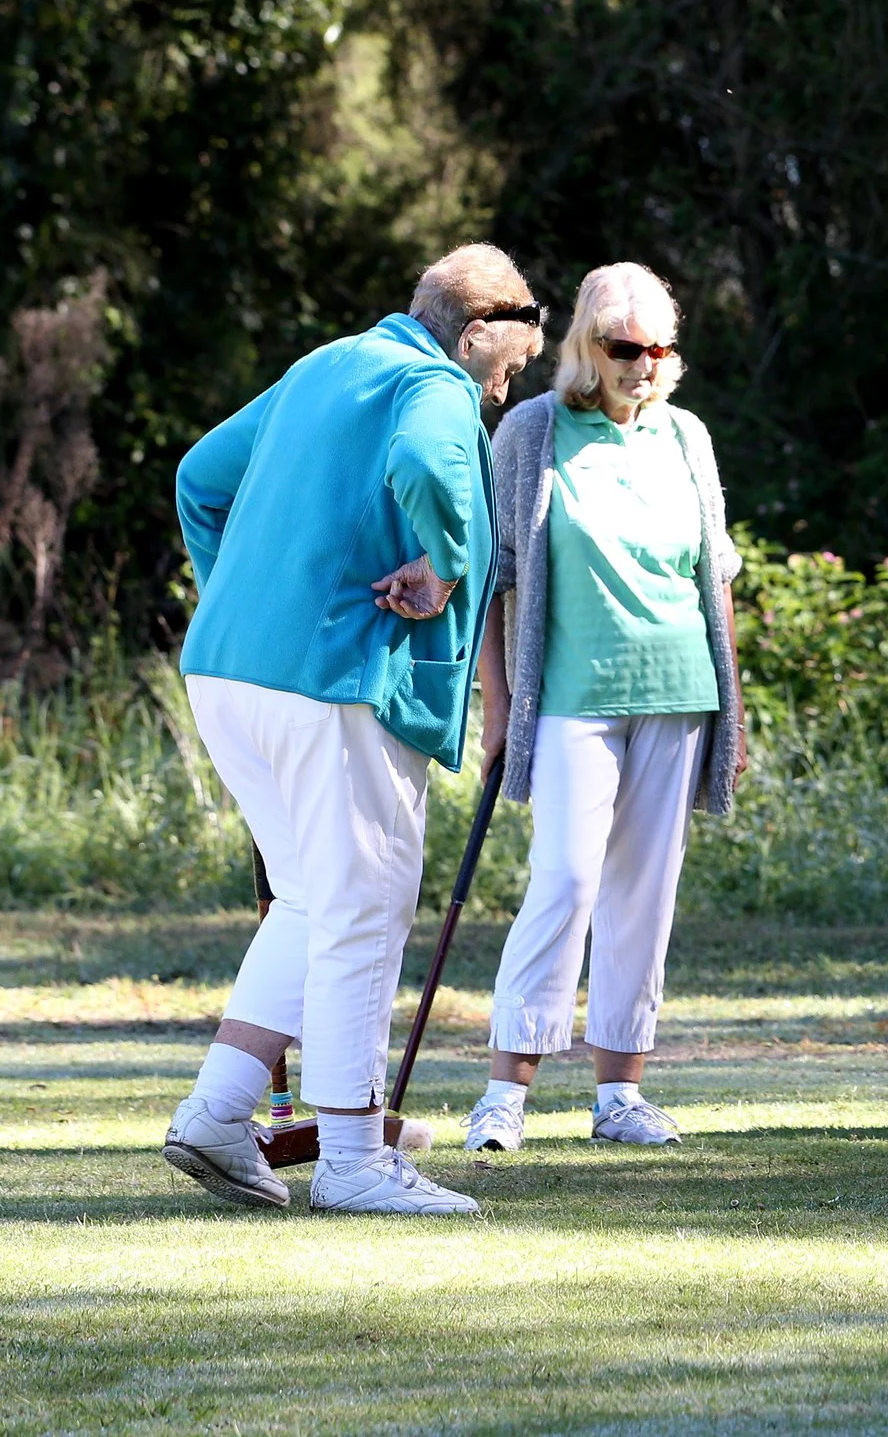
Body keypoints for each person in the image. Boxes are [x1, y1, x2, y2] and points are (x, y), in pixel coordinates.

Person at [161, 243, 544, 1215]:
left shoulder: (322, 364)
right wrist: (447, 567)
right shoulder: (434, 383)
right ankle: (353, 1161)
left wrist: (247, 597)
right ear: (474, 333)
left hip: (227, 671)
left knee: (311, 900)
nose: (506, 389)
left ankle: (218, 1113)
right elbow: (426, 462)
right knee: (364, 906)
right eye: (510, 365)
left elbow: (199, 478)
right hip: (334, 679)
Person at [462, 261, 746, 1153]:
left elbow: (715, 575)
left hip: (680, 693)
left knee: (644, 899)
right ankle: (504, 1097)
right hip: (571, 700)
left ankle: (620, 1097)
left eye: (658, 349)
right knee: (566, 882)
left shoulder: (686, 437)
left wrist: (735, 713)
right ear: (587, 345)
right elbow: (496, 577)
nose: (643, 365)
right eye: (625, 348)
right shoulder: (534, 431)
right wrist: (497, 705)